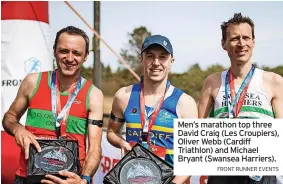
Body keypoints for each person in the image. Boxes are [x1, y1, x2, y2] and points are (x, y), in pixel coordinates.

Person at [2, 26, 104, 184]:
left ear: (85, 57)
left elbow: (94, 148)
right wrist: (18, 129)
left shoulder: (94, 95)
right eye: (64, 51)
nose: (70, 58)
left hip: (69, 179)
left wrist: (84, 179)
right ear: (54, 51)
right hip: (28, 177)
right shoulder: (33, 81)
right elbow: (9, 118)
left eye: (76, 53)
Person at [198, 13, 283, 184]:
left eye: (246, 37)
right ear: (224, 44)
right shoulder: (212, 81)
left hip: (261, 172)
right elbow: (198, 127)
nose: (241, 44)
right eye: (235, 38)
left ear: (253, 41)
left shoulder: (274, 81)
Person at [106, 35, 198, 184]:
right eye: (150, 56)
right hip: (134, 178)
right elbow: (111, 132)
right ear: (141, 59)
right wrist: (122, 143)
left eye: (162, 57)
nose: (156, 63)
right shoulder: (123, 96)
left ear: (171, 62)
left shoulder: (185, 103)